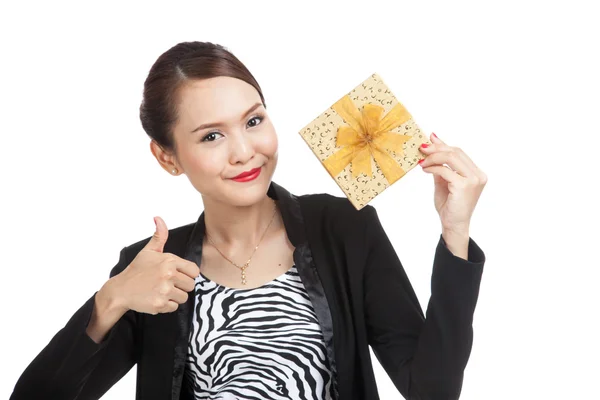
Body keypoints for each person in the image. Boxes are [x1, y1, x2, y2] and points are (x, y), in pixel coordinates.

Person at [9, 41, 487, 400]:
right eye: (212, 135)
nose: (245, 152)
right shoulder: (152, 267)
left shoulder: (344, 227)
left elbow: (432, 390)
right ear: (167, 157)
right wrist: (111, 300)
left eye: (253, 120)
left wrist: (455, 234)